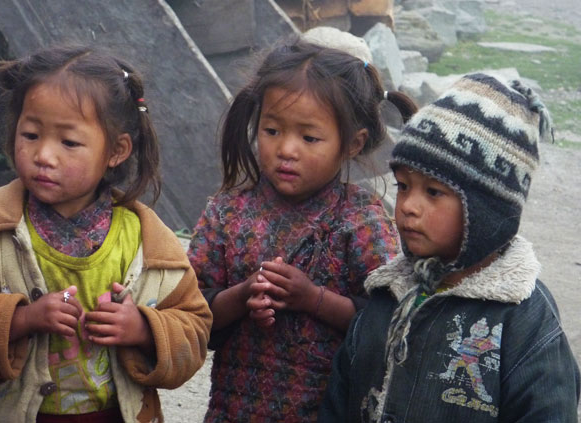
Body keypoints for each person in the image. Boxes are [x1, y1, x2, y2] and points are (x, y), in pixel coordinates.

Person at [0, 45, 212, 423]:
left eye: (69, 142)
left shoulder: (146, 242)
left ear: (116, 150)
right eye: (31, 134)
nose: (44, 156)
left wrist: (144, 329)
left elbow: (194, 329)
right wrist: (21, 319)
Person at [319, 73, 581, 422]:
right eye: (404, 186)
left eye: (433, 192)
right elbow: (340, 401)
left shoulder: (525, 319)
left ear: (486, 210)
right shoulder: (386, 298)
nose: (409, 206)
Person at [187, 38, 418, 422]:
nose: (286, 149)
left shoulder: (361, 220)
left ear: (351, 144)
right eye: (272, 130)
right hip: (233, 411)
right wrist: (242, 295)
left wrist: (311, 298)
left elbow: (387, 325)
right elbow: (188, 313)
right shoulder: (228, 212)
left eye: (309, 137)